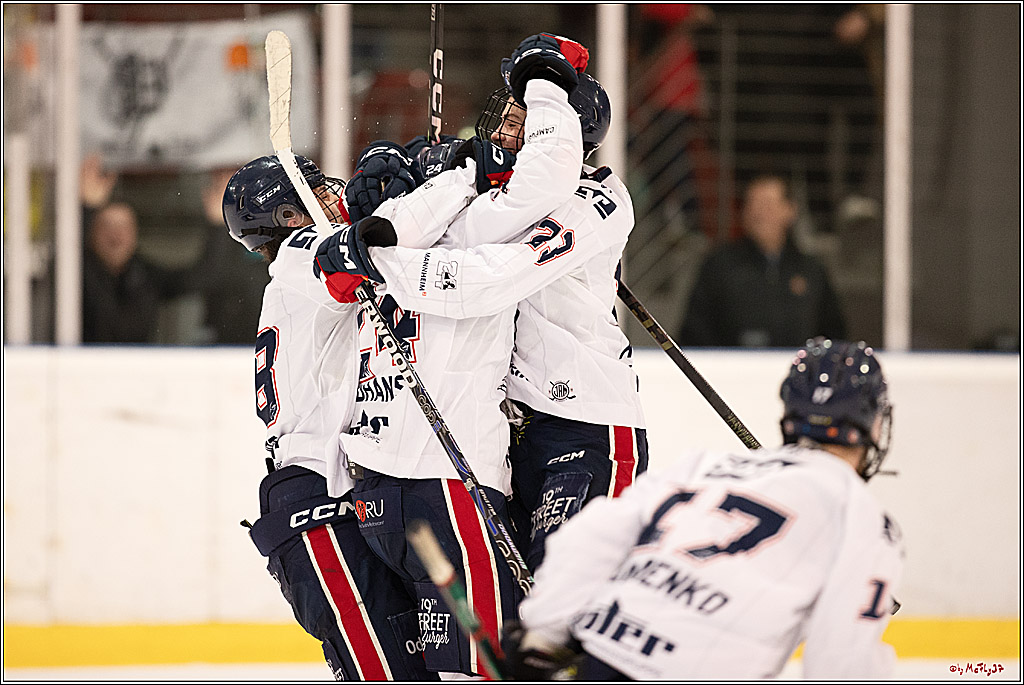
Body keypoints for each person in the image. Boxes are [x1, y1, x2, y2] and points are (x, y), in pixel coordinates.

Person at [320, 33, 649, 574]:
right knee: (522, 605)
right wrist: (411, 184)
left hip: (585, 423)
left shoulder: (596, 200)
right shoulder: (500, 190)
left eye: (524, 124)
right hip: (515, 427)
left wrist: (376, 259)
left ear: (567, 130)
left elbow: (483, 279)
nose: (503, 132)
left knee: (565, 597)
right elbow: (456, 228)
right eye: (506, 118)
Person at [506, 337, 904, 680]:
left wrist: (544, 634)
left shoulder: (706, 465)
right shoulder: (863, 519)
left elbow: (591, 536)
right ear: (874, 424)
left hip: (606, 654)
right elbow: (840, 665)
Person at [221, 154, 436, 681]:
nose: (334, 197)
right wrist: (426, 185)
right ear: (290, 217)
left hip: (339, 489)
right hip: (313, 494)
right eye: (317, 193)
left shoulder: (295, 271)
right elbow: (361, 253)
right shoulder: (299, 256)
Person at [678, 172, 848, 347]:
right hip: (732, 370)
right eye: (753, 204)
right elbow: (694, 332)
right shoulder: (719, 266)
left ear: (789, 210)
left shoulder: (812, 270)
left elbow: (834, 333)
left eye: (768, 205)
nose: (759, 213)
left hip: (799, 369)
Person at [82, 202, 189, 343]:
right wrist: (86, 207)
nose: (115, 235)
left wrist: (217, 220)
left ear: (135, 233)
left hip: (139, 363)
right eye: (106, 225)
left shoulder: (149, 276)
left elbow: (203, 276)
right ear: (92, 234)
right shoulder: (74, 274)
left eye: (123, 226)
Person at [191, 166, 271, 344]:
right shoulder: (219, 236)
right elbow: (205, 280)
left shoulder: (274, 234)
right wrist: (218, 227)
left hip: (262, 342)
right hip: (225, 345)